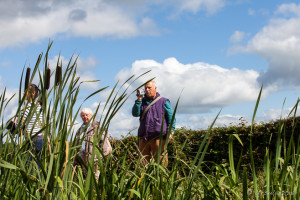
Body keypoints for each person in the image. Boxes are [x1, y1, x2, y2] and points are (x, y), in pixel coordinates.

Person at [132, 80, 176, 166]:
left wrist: (171, 132)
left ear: (155, 88)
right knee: (142, 165)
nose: (147, 90)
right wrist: (139, 99)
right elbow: (135, 113)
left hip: (159, 139)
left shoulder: (164, 101)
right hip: (144, 139)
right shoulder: (141, 102)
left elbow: (171, 118)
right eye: (145, 88)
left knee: (161, 165)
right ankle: (144, 179)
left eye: (149, 88)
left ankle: (161, 179)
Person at [75, 108, 112, 178]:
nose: (85, 117)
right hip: (83, 159)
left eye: (87, 115)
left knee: (94, 179)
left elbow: (105, 145)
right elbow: (77, 144)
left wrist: (99, 158)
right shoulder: (80, 130)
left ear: (91, 116)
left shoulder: (97, 127)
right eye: (82, 115)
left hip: (94, 159)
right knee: (86, 178)